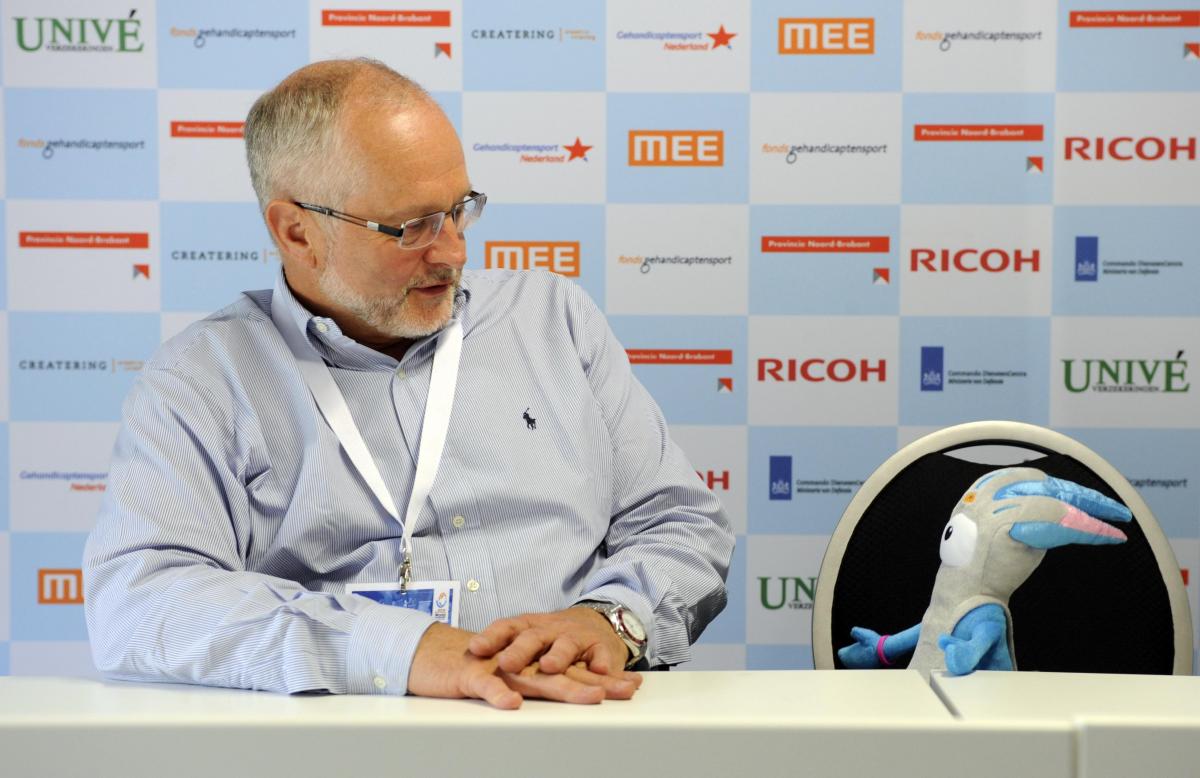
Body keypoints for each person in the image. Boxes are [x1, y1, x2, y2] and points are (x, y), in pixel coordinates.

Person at [83, 58, 734, 709]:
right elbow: (139, 602)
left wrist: (608, 619)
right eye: (412, 226)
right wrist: (400, 648)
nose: (452, 251)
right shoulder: (201, 381)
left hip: (577, 724)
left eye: (460, 210)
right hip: (347, 744)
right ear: (297, 231)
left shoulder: (554, 319)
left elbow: (679, 522)